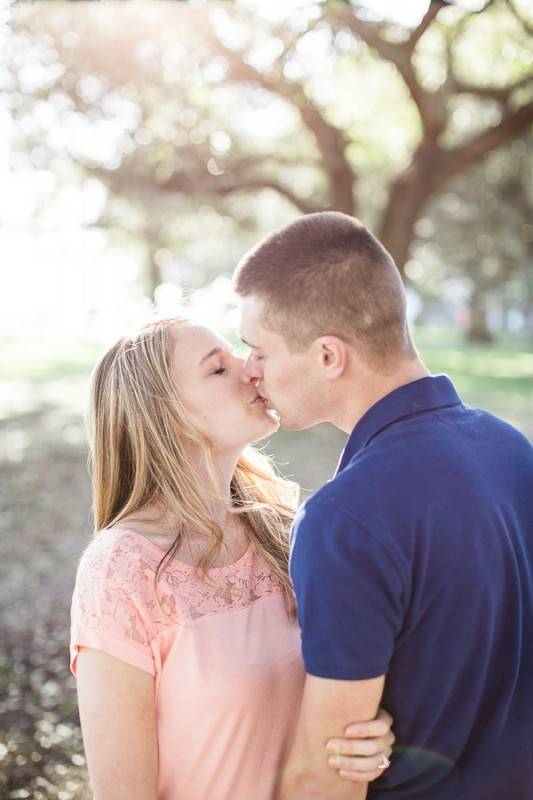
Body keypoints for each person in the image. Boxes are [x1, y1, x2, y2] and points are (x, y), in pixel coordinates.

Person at [234, 210, 533, 800]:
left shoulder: (343, 521)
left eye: (259, 351)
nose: (249, 371)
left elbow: (327, 778)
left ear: (328, 356)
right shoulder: (513, 448)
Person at [69, 317, 395, 800]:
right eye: (218, 369)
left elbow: (328, 696)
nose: (251, 368)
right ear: (165, 415)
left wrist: (369, 733)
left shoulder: (288, 526)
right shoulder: (120, 570)